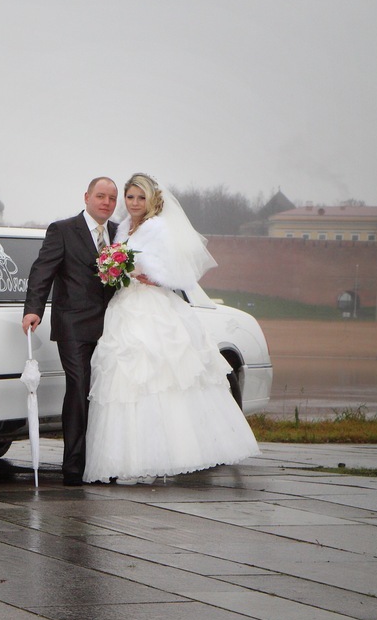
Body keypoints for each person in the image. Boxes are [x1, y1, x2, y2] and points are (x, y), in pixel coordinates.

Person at [83, 173, 260, 484]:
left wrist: (152, 276)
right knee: (124, 381)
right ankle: (126, 458)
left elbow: (179, 270)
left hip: (152, 308)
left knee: (161, 378)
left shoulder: (158, 227)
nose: (134, 203)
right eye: (130, 197)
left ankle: (168, 454)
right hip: (124, 307)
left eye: (141, 197)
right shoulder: (122, 228)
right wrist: (115, 270)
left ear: (152, 199)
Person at [23, 177, 119, 486]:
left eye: (112, 198)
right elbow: (42, 270)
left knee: (108, 393)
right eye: (100, 196)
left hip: (113, 328)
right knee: (79, 387)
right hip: (74, 326)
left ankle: (102, 462)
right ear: (87, 197)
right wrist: (33, 309)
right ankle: (74, 467)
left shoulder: (120, 233)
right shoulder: (63, 230)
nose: (106, 202)